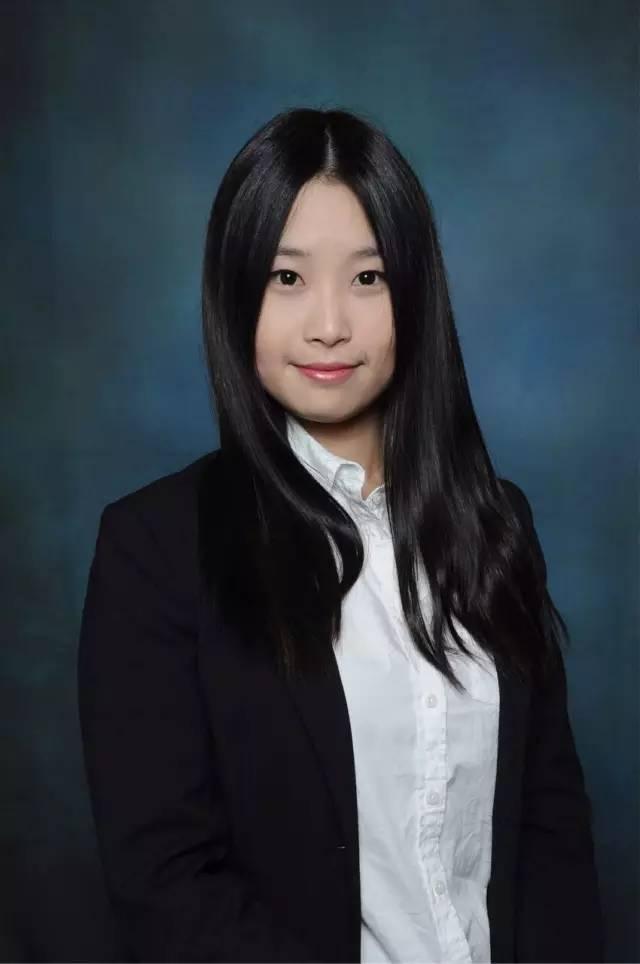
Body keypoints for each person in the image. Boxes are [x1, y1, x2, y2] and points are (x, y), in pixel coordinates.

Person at [77, 107, 605, 963]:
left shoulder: (496, 520)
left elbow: (551, 833)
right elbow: (165, 884)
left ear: (415, 293)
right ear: (236, 292)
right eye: (287, 277)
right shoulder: (157, 548)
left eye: (368, 277)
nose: (329, 323)